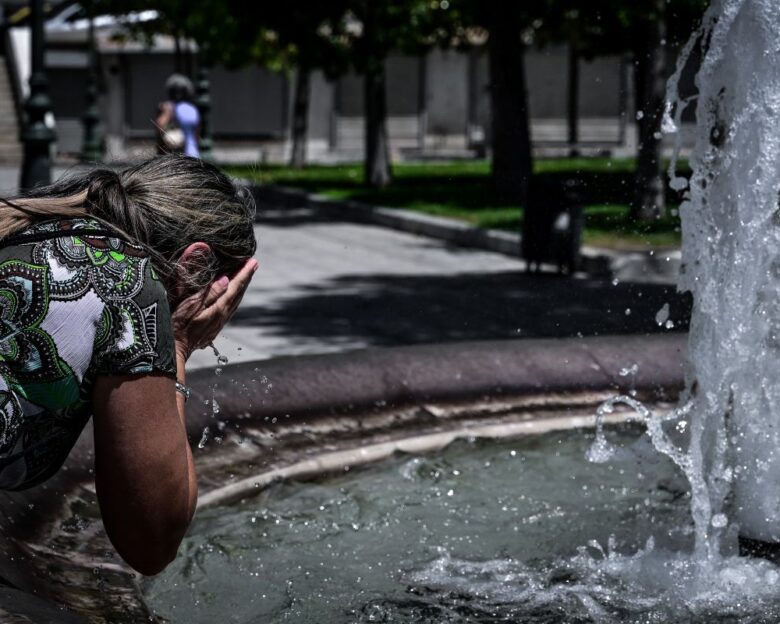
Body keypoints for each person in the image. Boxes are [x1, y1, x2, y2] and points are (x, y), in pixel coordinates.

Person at [0, 155, 257, 575]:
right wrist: (176, 343)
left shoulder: (30, 230)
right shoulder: (127, 286)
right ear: (193, 267)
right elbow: (151, 542)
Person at [156, 74, 201, 158]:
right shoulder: (193, 110)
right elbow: (197, 135)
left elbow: (159, 129)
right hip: (194, 155)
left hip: (176, 158)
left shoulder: (168, 107)